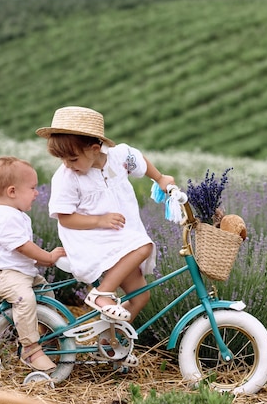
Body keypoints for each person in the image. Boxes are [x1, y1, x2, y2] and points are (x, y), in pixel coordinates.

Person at [36, 106, 175, 327]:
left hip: (121, 237)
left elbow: (139, 160)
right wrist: (100, 220)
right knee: (144, 246)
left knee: (140, 296)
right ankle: (101, 293)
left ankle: (110, 341)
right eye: (62, 159)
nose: (67, 165)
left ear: (94, 148)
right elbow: (65, 218)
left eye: (72, 159)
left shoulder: (119, 157)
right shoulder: (67, 177)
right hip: (92, 238)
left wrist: (160, 178)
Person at [0, 156, 66, 372]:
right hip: (1, 274)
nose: (37, 193)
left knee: (46, 292)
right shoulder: (4, 218)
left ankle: (44, 333)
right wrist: (49, 257)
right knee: (24, 299)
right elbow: (24, 247)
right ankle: (31, 348)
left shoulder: (15, 215)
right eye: (33, 188)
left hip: (19, 273)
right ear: (12, 192)